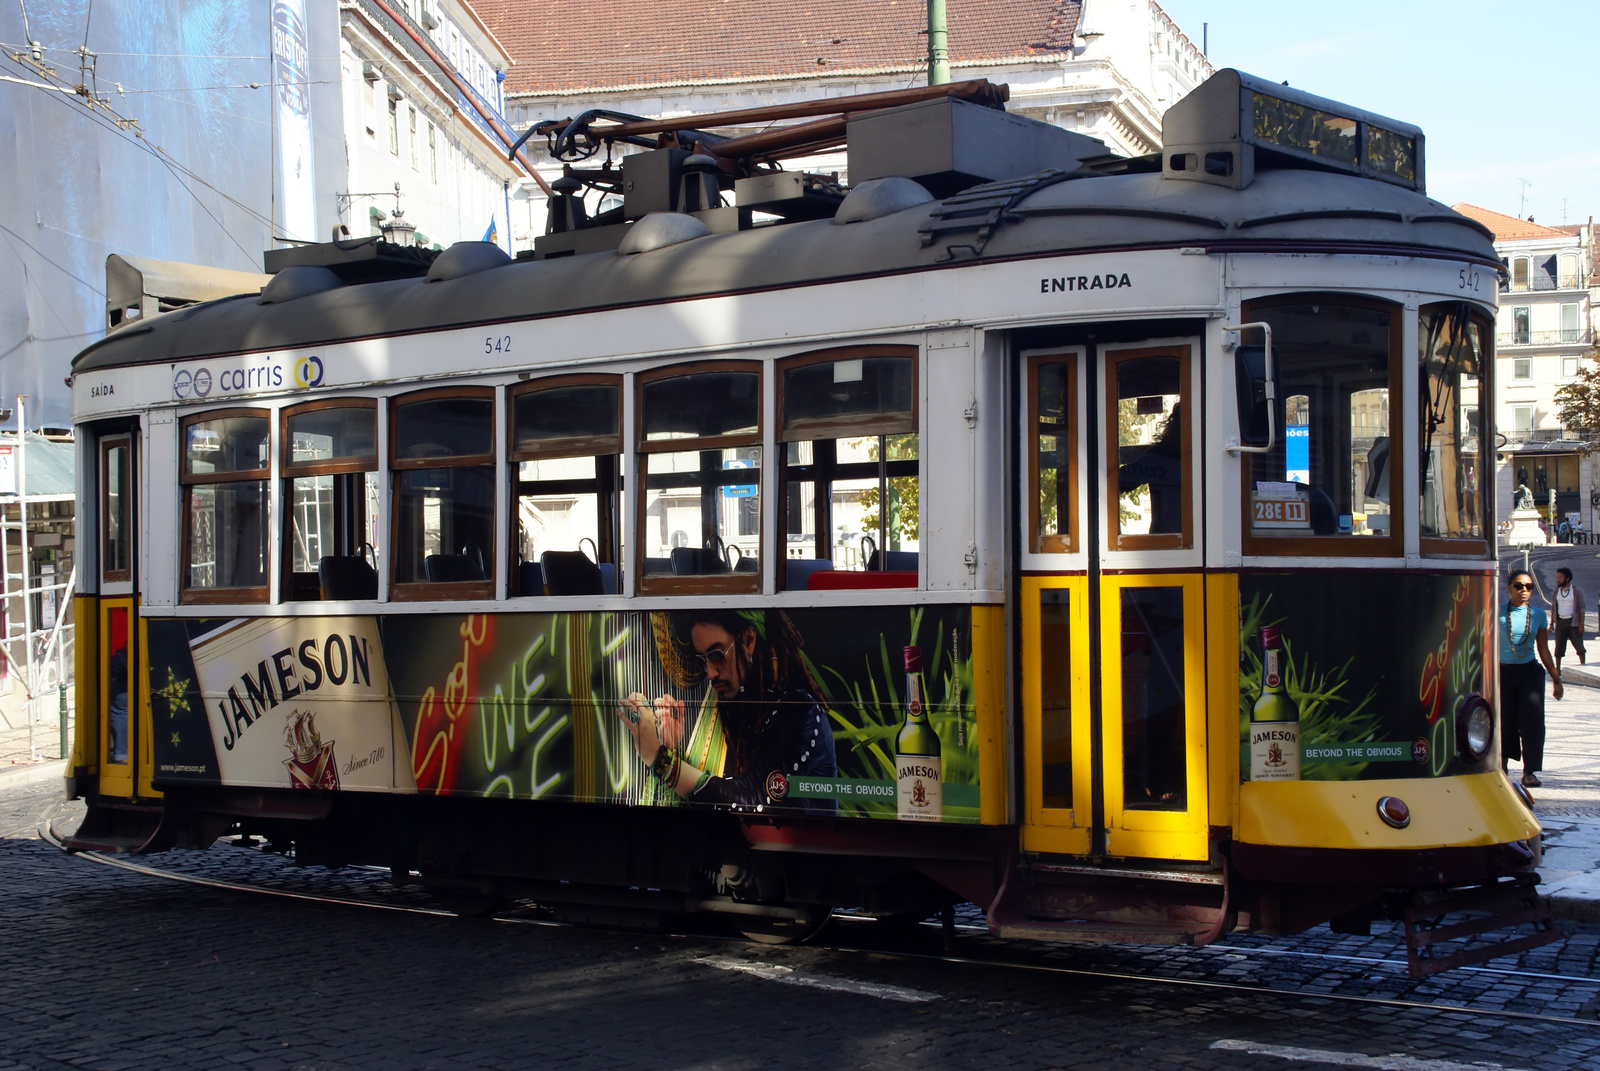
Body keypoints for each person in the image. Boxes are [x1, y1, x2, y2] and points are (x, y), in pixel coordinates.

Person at [619, 609, 837, 814]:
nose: (710, 673)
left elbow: (753, 801)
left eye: (716, 655)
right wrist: (671, 747)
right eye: (702, 660)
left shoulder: (800, 711)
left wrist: (659, 758)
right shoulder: (741, 705)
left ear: (749, 641)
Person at [1501, 569, 1561, 788]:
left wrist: (1556, 678)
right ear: (1509, 589)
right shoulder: (1496, 614)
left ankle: (1529, 771)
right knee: (1505, 721)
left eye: (1528, 587)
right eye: (1518, 586)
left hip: (1529, 673)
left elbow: (1544, 650)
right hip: (1503, 673)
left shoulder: (1538, 615)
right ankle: (1502, 765)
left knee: (1533, 722)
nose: (1524, 591)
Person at [1551, 566, 1588, 673]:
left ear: (1567, 578)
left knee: (1579, 647)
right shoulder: (1556, 591)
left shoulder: (1576, 591)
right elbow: (1554, 607)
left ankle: (1583, 666)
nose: (1558, 580)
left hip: (1573, 622)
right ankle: (1557, 669)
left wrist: (1581, 624)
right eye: (1557, 577)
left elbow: (1582, 608)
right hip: (1560, 622)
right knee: (1559, 648)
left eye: (1560, 577)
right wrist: (1552, 623)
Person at [107, 644, 128, 764]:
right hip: (124, 689)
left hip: (120, 689)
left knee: (119, 714)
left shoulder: (120, 654)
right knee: (121, 713)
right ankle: (122, 753)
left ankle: (121, 753)